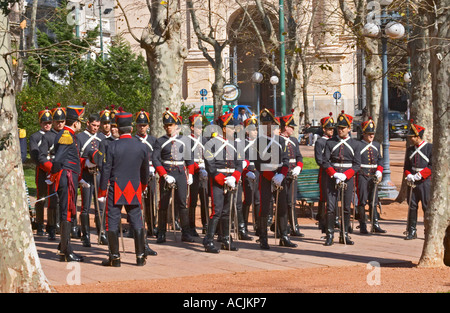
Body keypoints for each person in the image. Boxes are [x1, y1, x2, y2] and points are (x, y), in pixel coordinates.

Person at [98, 110, 150, 267]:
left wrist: (101, 191)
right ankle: (140, 257)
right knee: (136, 220)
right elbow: (145, 171)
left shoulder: (112, 146)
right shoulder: (141, 147)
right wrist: (143, 186)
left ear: (118, 129)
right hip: (134, 187)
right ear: (131, 128)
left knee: (112, 221)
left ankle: (115, 257)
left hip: (116, 186)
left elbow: (106, 169)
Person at [48, 104, 86, 262]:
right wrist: (53, 176)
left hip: (70, 176)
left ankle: (64, 245)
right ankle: (66, 250)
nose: (80, 124)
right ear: (76, 122)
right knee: (66, 211)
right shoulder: (66, 135)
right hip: (66, 176)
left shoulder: (68, 134)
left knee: (68, 210)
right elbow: (58, 160)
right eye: (80, 121)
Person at [254, 108, 297, 249]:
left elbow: (286, 160)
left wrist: (282, 174)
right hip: (266, 178)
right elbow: (259, 164)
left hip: (280, 176)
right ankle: (263, 237)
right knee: (264, 207)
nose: (266, 126)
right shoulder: (259, 141)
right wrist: (272, 177)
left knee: (283, 206)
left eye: (269, 123)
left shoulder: (280, 140)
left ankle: (284, 236)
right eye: (263, 124)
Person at [203, 111, 245, 253]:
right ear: (225, 129)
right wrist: (222, 180)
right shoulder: (211, 144)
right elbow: (210, 166)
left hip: (231, 181)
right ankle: (208, 240)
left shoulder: (235, 145)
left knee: (227, 211)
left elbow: (239, 164)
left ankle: (226, 238)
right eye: (232, 128)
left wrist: (234, 177)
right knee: (217, 211)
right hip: (218, 181)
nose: (235, 130)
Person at [153, 108, 195, 244]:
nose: (167, 128)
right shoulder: (160, 141)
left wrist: (191, 174)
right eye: (165, 125)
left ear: (176, 125)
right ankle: (161, 233)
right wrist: (164, 175)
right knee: (163, 203)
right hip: (167, 172)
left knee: (182, 203)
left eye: (170, 125)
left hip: (180, 172)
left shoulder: (185, 140)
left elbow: (189, 160)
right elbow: (155, 159)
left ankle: (186, 232)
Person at [322, 111, 361, 246]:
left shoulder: (355, 144)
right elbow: (325, 161)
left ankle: (344, 234)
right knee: (331, 207)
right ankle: (330, 234)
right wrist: (334, 174)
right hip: (333, 177)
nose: (340, 130)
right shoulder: (330, 143)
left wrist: (346, 175)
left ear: (349, 129)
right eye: (338, 128)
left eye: (343, 128)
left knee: (345, 207)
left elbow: (357, 165)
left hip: (347, 178)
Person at [76, 113, 106, 247]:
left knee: (100, 206)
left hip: (99, 174)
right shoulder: (80, 137)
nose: (95, 128)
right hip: (86, 174)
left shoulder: (102, 137)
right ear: (87, 123)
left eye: (98, 126)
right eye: (93, 125)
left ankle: (101, 233)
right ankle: (86, 235)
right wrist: (85, 162)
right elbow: (76, 157)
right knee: (86, 207)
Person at [356, 118, 386, 234]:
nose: (371, 136)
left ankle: (375, 223)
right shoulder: (358, 145)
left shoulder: (377, 145)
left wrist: (379, 170)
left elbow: (380, 160)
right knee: (362, 201)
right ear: (363, 134)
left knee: (374, 200)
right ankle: (362, 224)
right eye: (369, 134)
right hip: (362, 175)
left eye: (372, 134)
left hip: (373, 176)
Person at [403, 120, 432, 240]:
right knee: (412, 206)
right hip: (412, 182)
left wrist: (420, 175)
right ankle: (412, 230)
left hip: (425, 182)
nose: (410, 139)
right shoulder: (410, 150)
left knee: (426, 206)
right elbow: (407, 166)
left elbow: (432, 165)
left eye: (412, 137)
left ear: (417, 136)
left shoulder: (429, 148)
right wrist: (409, 175)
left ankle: (428, 231)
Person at [279, 110, 304, 237]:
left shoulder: (294, 140)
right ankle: (281, 227)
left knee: (292, 202)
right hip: (282, 175)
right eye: (291, 126)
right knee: (282, 203)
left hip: (293, 174)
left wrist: (299, 167)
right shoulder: (277, 140)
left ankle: (294, 226)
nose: (293, 129)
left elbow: (299, 157)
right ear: (285, 127)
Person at [29, 107, 53, 236]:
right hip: (42, 170)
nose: (47, 125)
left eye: (49, 122)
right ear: (40, 123)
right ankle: (39, 224)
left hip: (54, 170)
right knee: (41, 197)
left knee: (54, 198)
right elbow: (34, 154)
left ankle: (52, 224)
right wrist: (45, 166)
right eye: (45, 123)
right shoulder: (35, 137)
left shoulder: (55, 135)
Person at [186, 112, 209, 236]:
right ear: (192, 127)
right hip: (193, 173)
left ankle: (206, 225)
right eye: (198, 127)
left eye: (201, 127)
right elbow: (187, 158)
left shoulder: (205, 140)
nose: (200, 129)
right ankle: (191, 226)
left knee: (205, 199)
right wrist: (196, 168)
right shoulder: (187, 141)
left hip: (204, 173)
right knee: (193, 201)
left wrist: (206, 167)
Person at [314, 113, 335, 233]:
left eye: (332, 129)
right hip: (324, 172)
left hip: (334, 171)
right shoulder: (320, 142)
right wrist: (328, 168)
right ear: (324, 129)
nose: (331, 131)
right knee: (324, 197)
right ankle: (322, 220)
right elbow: (319, 159)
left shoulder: (334, 141)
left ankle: (333, 219)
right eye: (329, 129)